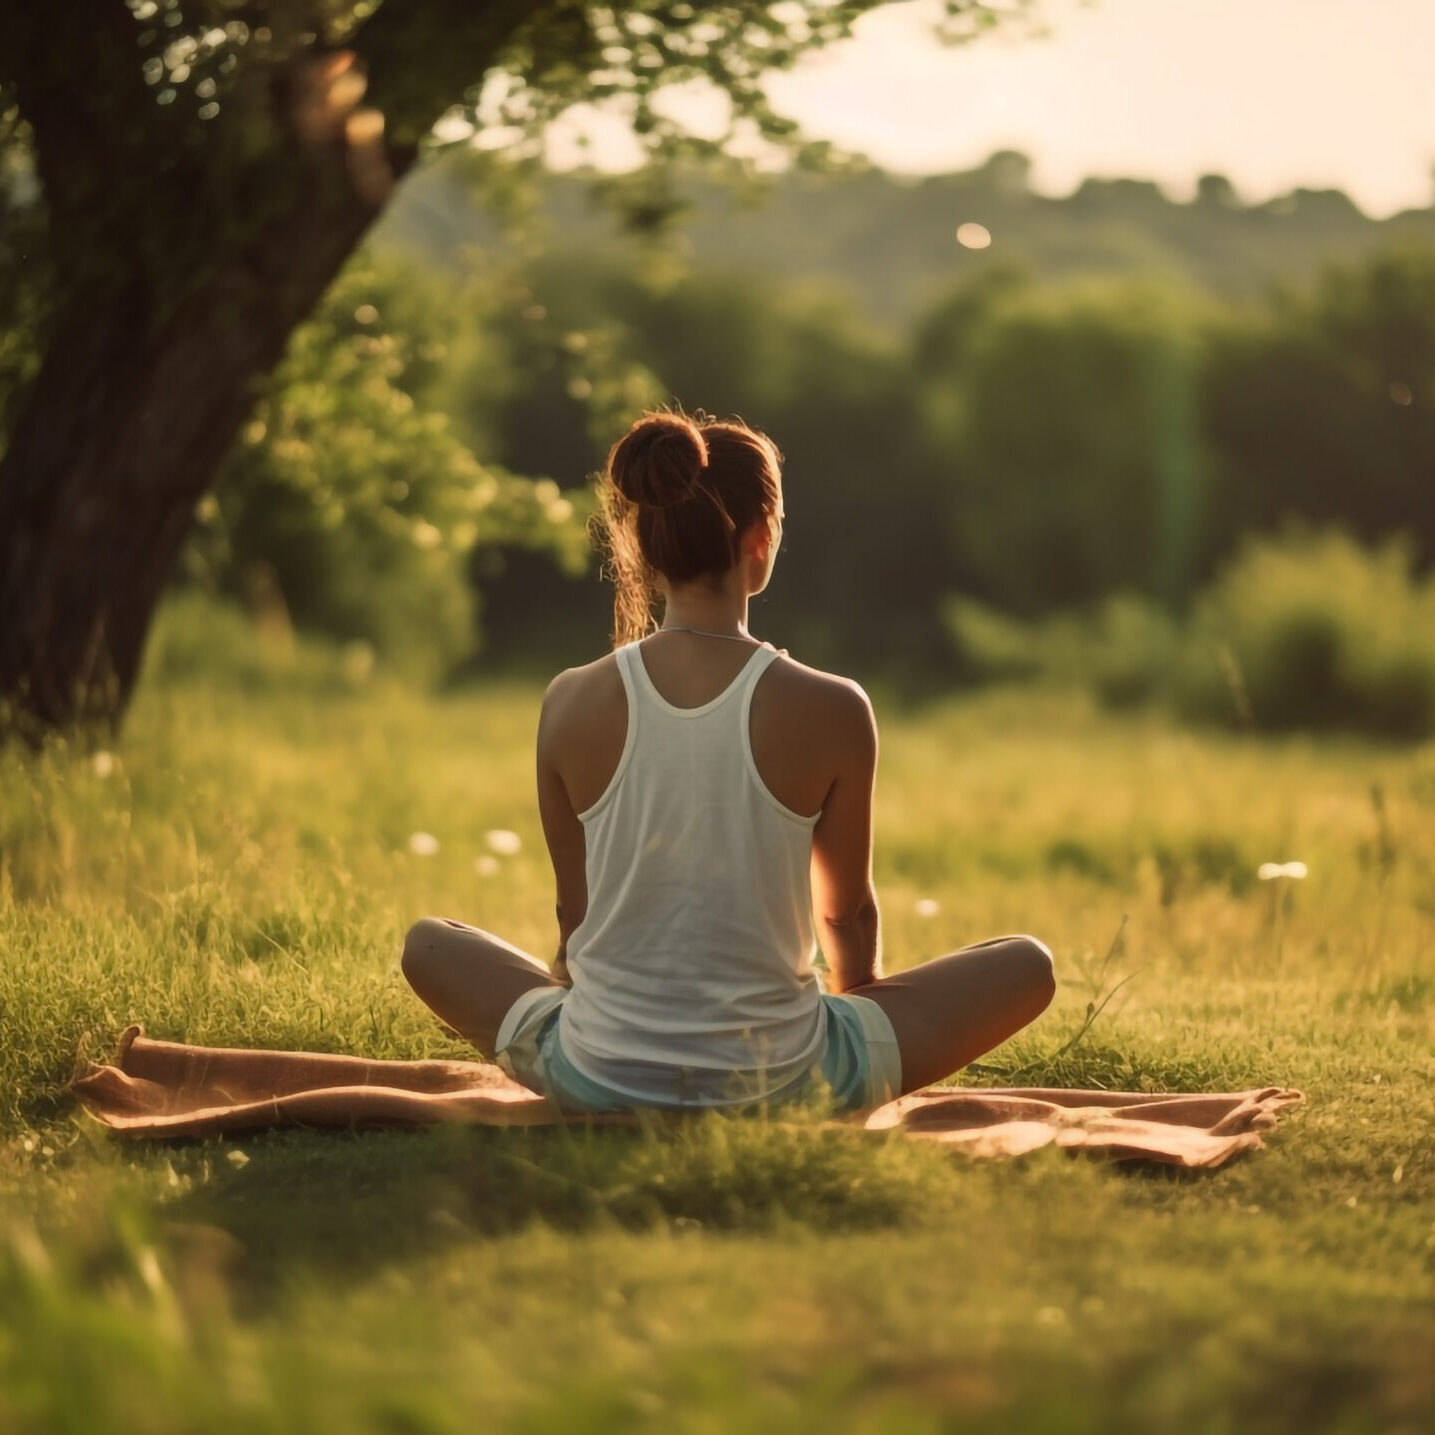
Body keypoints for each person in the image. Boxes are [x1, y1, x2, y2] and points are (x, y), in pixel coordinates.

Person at [401, 410, 1055, 1113]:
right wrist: (853, 1030)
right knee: (1027, 963)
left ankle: (608, 1058)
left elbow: (576, 917)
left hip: (597, 1078)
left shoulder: (568, 699)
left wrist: (618, 1033)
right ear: (761, 536)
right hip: (784, 1084)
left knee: (430, 945)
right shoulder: (833, 706)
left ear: (645, 539)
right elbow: (848, 920)